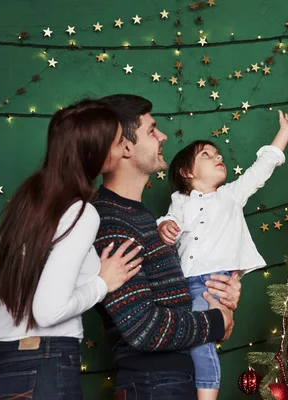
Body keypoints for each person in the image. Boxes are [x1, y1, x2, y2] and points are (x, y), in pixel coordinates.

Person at [0, 100, 144, 400]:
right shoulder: (81, 212)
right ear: (96, 151)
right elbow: (48, 310)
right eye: (119, 142)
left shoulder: (28, 199)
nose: (125, 149)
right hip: (43, 364)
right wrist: (102, 284)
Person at [92, 94, 242, 400]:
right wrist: (213, 322)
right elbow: (143, 327)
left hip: (172, 378)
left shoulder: (142, 217)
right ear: (124, 146)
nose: (163, 136)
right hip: (152, 383)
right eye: (151, 130)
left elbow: (176, 301)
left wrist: (221, 294)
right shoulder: (110, 220)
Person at [157, 110, 288, 399]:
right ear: (188, 172)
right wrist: (164, 225)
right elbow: (166, 222)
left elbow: (262, 168)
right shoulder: (179, 201)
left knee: (202, 342)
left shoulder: (231, 195)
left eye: (218, 153)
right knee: (179, 345)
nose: (217, 157)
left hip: (213, 282)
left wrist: (284, 132)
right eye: (207, 155)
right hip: (179, 284)